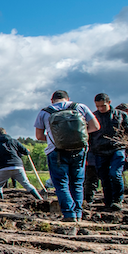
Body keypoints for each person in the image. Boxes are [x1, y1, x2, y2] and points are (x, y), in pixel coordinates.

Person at [34, 91, 99, 222]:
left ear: (52, 100)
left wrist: (55, 139)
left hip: (56, 151)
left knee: (61, 184)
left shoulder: (45, 112)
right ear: (68, 98)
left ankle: (69, 214)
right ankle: (78, 213)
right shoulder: (80, 107)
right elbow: (96, 126)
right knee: (77, 183)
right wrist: (79, 135)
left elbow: (39, 136)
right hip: (78, 150)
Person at [90, 93, 128, 212]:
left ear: (109, 103)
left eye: (103, 106)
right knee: (104, 177)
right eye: (98, 106)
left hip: (117, 148)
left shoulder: (121, 115)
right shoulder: (93, 116)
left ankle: (117, 200)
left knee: (115, 174)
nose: (101, 108)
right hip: (99, 150)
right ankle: (108, 201)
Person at [0, 128, 43, 201]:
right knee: (26, 184)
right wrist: (27, 151)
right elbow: (25, 151)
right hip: (17, 166)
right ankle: (40, 199)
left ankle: (0, 201)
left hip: (4, 167)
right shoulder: (14, 141)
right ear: (5, 133)